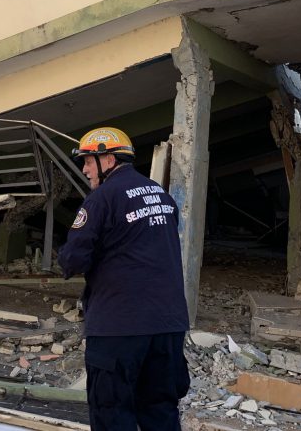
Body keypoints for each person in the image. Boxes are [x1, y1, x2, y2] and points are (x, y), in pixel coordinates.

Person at [58, 126, 190, 430]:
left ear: (108, 159)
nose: (85, 169)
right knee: (160, 411)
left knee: (112, 412)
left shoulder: (102, 199)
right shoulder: (161, 196)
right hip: (168, 326)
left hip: (119, 328)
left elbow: (73, 258)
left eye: (89, 161)